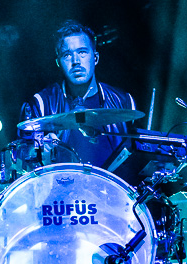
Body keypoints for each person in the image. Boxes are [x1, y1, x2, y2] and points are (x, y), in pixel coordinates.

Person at [17, 20, 137, 172]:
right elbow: (23, 158)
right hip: (60, 189)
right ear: (58, 63)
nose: (75, 62)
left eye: (82, 52)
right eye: (67, 55)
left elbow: (136, 157)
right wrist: (42, 151)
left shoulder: (123, 101)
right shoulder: (42, 103)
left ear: (95, 58)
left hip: (113, 190)